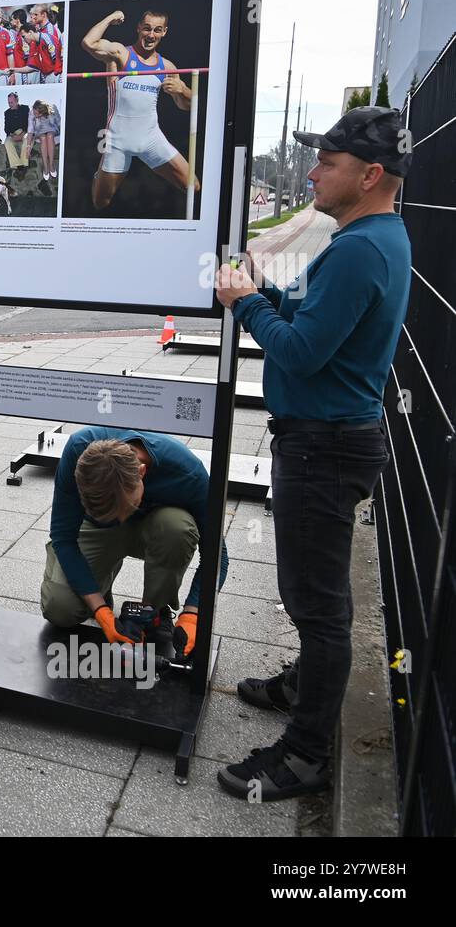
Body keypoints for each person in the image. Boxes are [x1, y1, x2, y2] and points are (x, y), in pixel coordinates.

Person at [214, 106, 412, 801]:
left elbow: (300, 349)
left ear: (370, 174)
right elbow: (314, 319)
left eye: (328, 164)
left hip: (323, 450)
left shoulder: (361, 247)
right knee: (314, 598)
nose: (314, 173)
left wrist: (243, 303)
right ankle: (306, 684)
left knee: (318, 606)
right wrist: (265, 287)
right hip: (331, 440)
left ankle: (304, 754)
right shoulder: (373, 235)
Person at [41, 428, 228, 657]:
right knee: (60, 609)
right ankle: (99, 586)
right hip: (98, 531)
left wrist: (194, 613)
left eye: (126, 507)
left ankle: (154, 612)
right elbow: (63, 537)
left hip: (157, 529)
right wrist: (101, 612)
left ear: (142, 472)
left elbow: (217, 555)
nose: (120, 519)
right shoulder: (79, 451)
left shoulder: (187, 473)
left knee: (177, 528)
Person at [81, 9, 199, 211]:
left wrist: (184, 90)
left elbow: (185, 106)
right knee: (100, 202)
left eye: (157, 30)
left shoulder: (167, 66)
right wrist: (110, 18)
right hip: (118, 140)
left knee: (193, 186)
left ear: (164, 32)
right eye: (147, 29)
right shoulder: (120, 54)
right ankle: (98, 174)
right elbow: (88, 43)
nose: (151, 35)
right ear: (138, 28)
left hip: (151, 139)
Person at [23, 3, 64, 84]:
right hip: (45, 73)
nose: (33, 17)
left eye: (35, 14)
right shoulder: (40, 30)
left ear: (44, 15)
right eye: (32, 15)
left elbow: (54, 55)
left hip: (53, 74)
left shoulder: (50, 30)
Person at [30, 99, 61, 181]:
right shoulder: (32, 113)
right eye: (34, 112)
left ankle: (51, 165)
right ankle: (45, 166)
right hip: (40, 132)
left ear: (42, 111)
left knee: (50, 136)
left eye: (36, 113)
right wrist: (28, 144)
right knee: (43, 138)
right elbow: (31, 128)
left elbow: (59, 122)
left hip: (52, 130)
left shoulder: (53, 109)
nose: (34, 114)